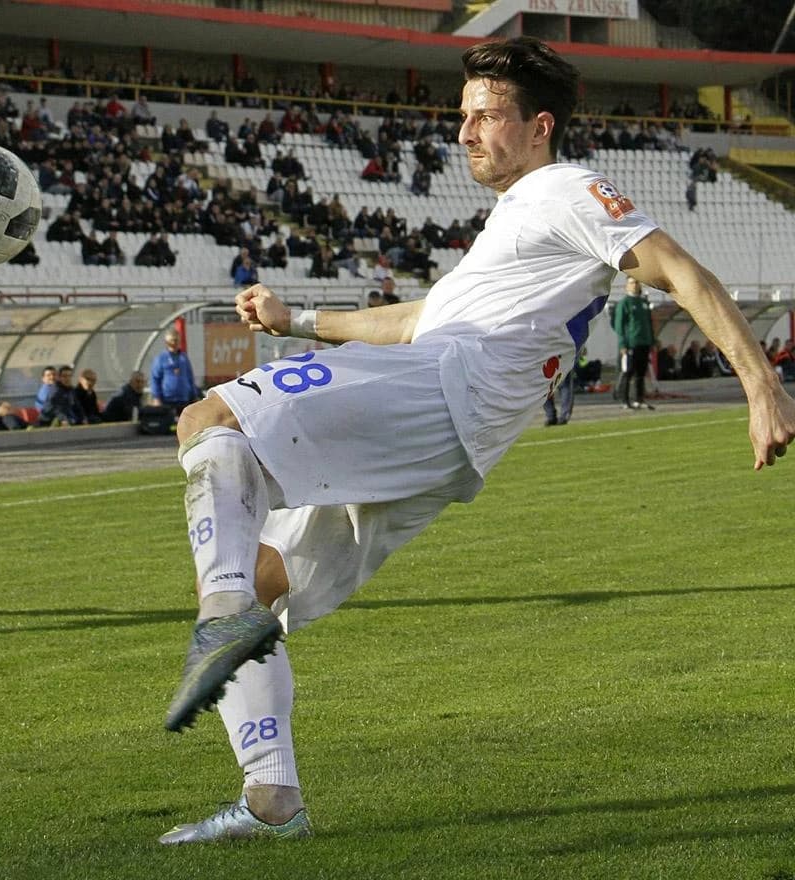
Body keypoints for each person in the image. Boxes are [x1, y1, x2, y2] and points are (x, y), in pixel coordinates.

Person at [156, 36, 795, 846]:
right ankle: (271, 801)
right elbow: (416, 320)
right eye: (464, 116)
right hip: (451, 433)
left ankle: (221, 617)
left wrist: (762, 385)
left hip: (443, 389)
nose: (465, 132)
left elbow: (678, 269)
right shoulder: (517, 223)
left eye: (487, 115)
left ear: (540, 126)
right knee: (258, 577)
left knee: (210, 418)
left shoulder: (565, 188)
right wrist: (300, 321)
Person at [613, 276, 656, 410]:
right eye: (631, 283)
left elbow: (649, 323)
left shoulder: (644, 302)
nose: (635, 285)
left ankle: (639, 399)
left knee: (641, 373)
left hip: (644, 343)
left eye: (637, 282)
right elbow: (619, 326)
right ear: (626, 286)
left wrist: (652, 341)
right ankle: (624, 400)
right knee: (628, 372)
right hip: (631, 343)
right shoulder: (624, 303)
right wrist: (622, 344)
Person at [150, 329, 199, 415]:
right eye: (171, 341)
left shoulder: (184, 358)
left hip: (184, 399)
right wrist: (156, 397)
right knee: (168, 422)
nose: (173, 343)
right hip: (167, 399)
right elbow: (155, 379)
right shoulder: (161, 358)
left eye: (176, 340)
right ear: (166, 342)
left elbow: (190, 377)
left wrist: (194, 395)